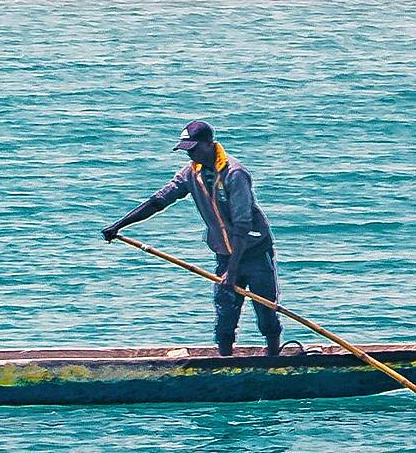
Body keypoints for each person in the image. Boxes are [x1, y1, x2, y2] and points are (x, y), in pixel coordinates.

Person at [102, 121, 282, 357]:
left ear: (209, 144)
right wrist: (119, 225)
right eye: (186, 149)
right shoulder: (191, 172)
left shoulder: (234, 173)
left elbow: (242, 224)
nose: (189, 153)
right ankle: (225, 362)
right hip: (225, 256)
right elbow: (159, 200)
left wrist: (234, 270)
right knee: (225, 315)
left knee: (266, 311)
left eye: (194, 148)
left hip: (255, 253)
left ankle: (273, 360)